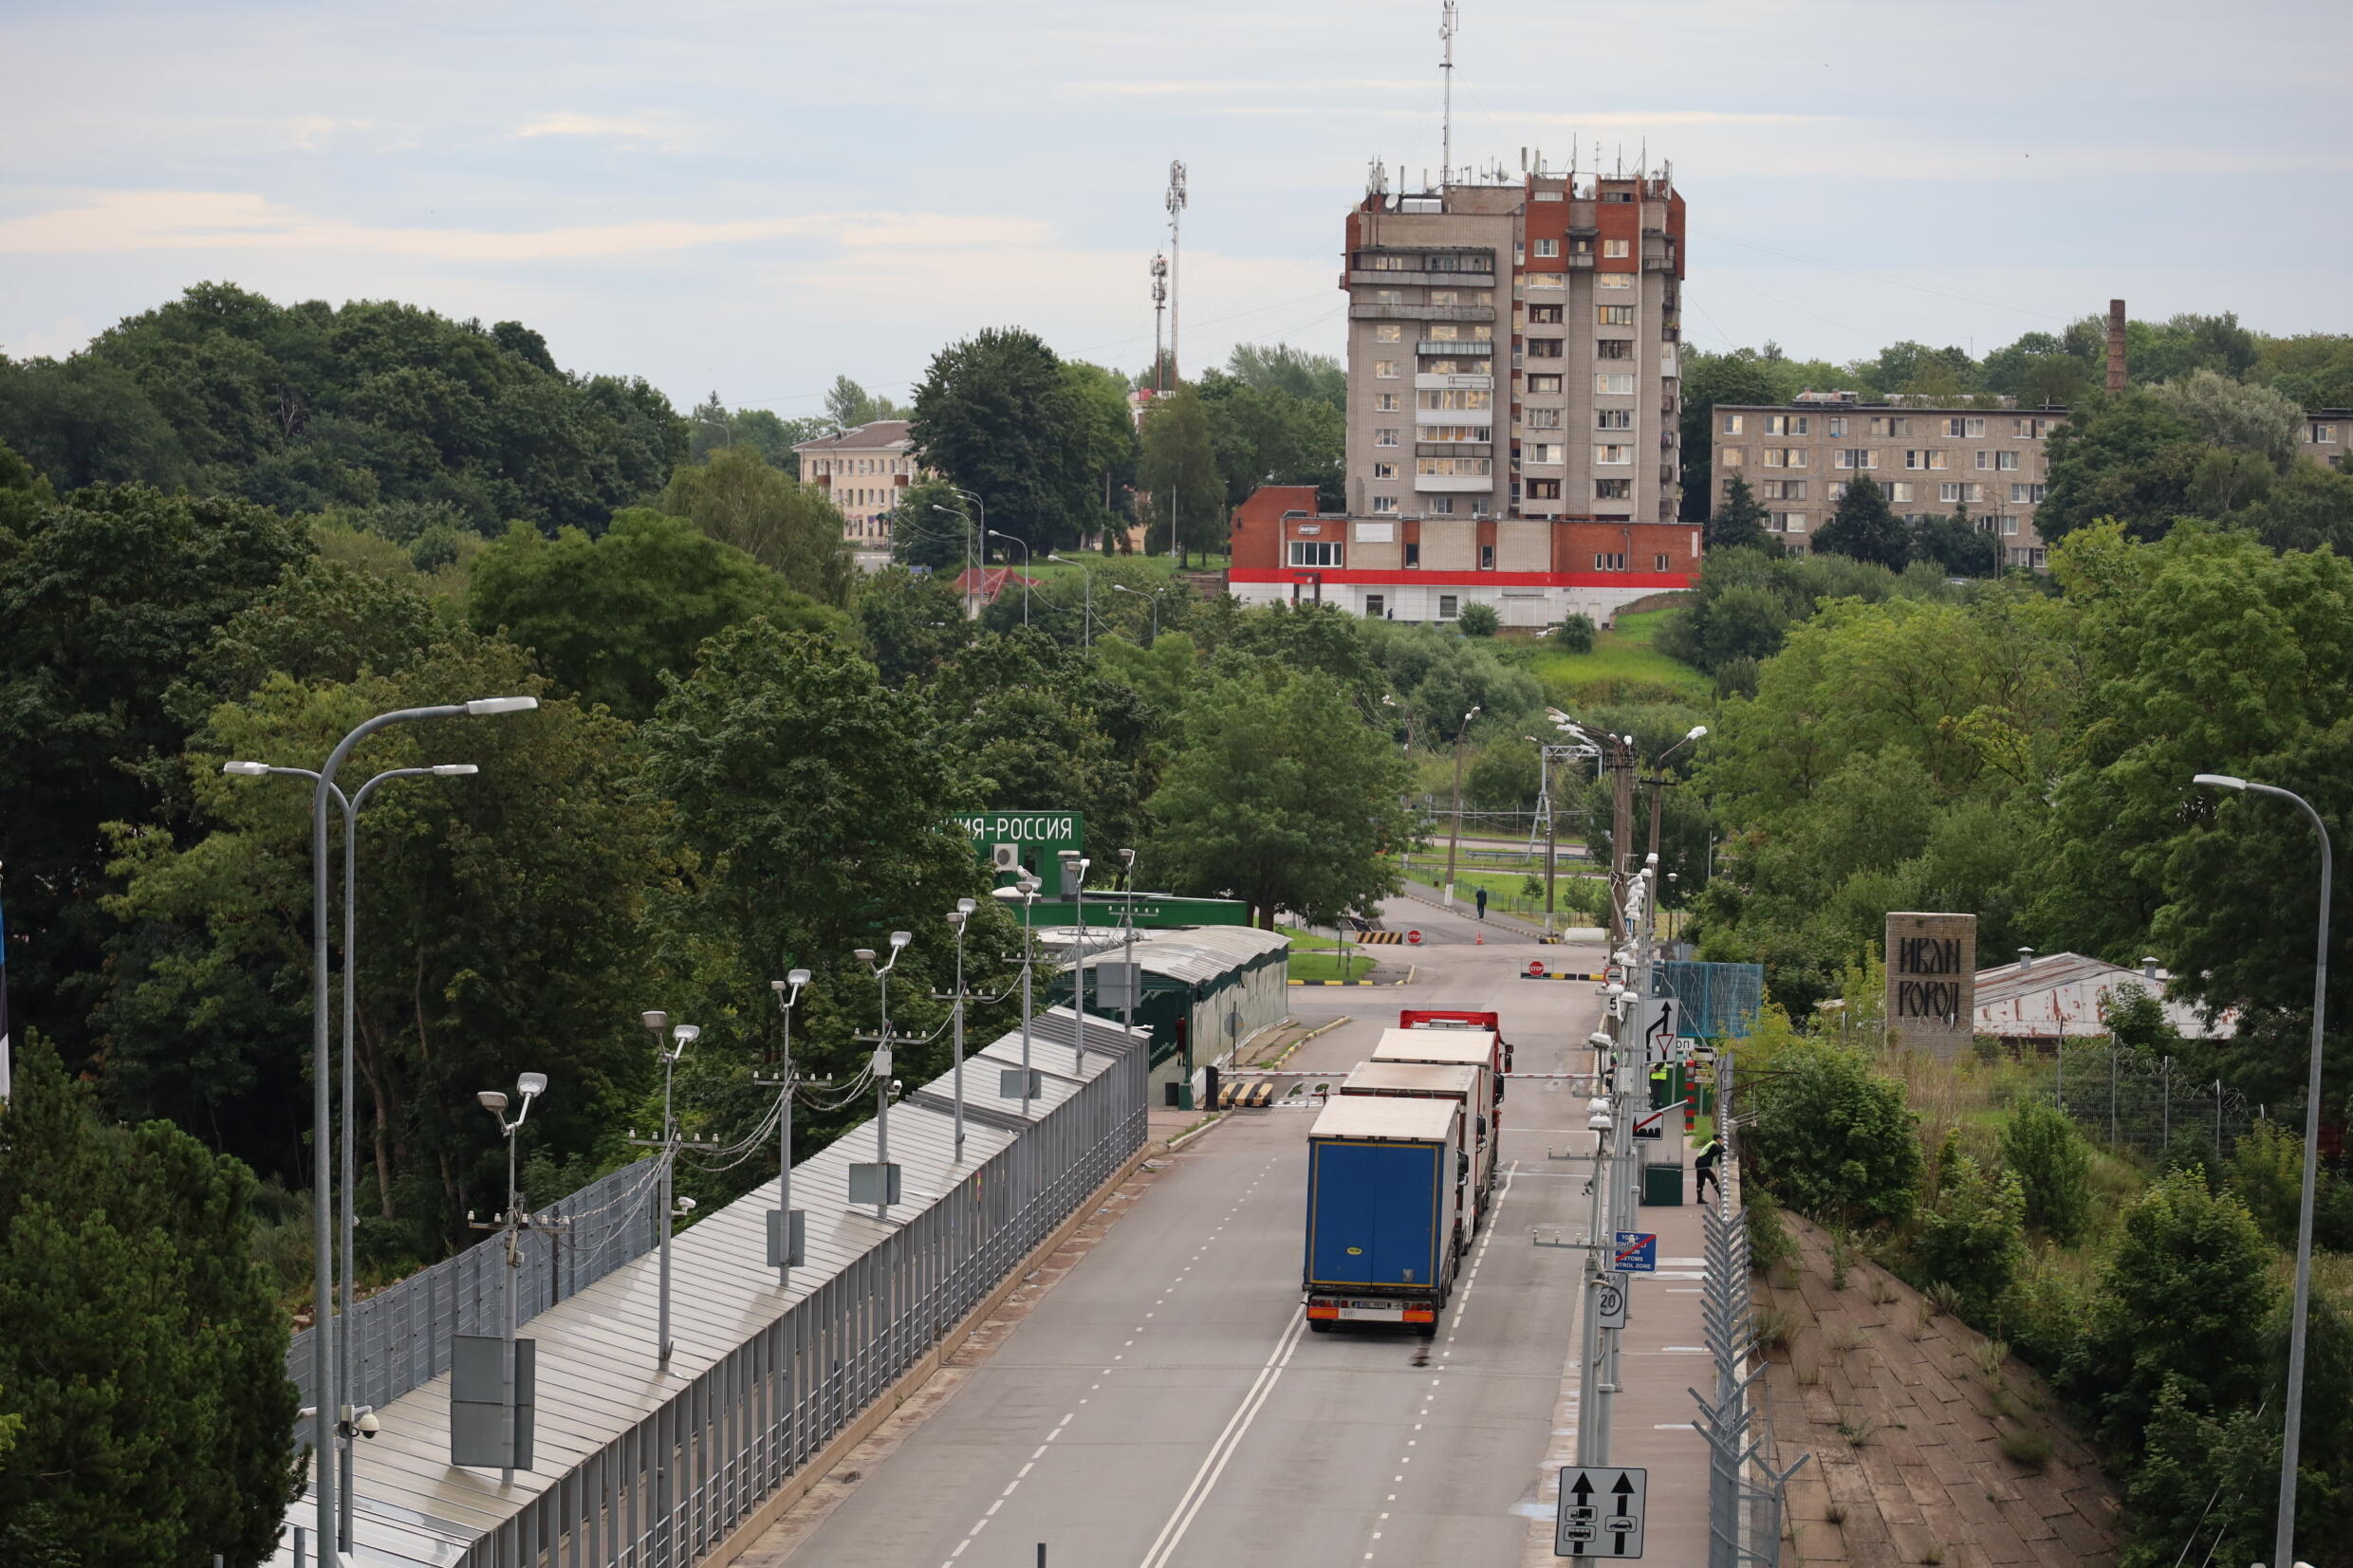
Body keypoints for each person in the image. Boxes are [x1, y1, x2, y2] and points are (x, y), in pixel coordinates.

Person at [1695, 1134, 1725, 1203]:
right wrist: (1721, 1145)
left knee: (1702, 1180)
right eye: (1721, 1139)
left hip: (1701, 1163)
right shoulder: (1714, 1145)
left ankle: (1699, 1199)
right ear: (1718, 1139)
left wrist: (1720, 1163)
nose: (1722, 1140)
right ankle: (1719, 1192)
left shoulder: (1714, 1145)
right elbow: (1722, 1150)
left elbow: (1719, 1155)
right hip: (1702, 1163)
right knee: (1709, 1178)